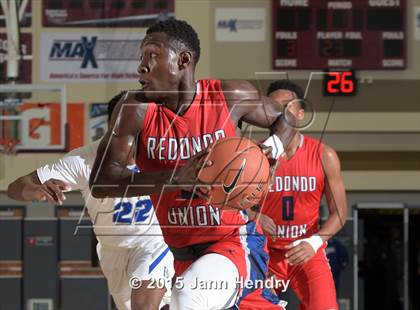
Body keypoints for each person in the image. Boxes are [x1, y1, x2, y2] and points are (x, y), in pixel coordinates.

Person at [89, 19, 295, 309]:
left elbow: (286, 118)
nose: (141, 67)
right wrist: (175, 178)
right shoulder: (133, 109)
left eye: (152, 56)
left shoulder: (227, 96)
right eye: (141, 58)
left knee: (187, 298)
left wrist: (273, 147)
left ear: (182, 60)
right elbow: (101, 182)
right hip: (181, 254)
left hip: (233, 242)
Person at [7, 92, 174, 310]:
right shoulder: (83, 160)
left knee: (144, 306)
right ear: (113, 127)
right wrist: (33, 191)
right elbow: (15, 187)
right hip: (112, 251)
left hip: (152, 243)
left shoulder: (163, 151)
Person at [253, 80, 348, 310]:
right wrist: (252, 215)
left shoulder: (323, 155)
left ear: (301, 113)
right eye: (274, 106)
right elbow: (228, 205)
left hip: (306, 249)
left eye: (287, 105)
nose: (281, 111)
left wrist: (314, 242)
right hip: (266, 252)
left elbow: (340, 213)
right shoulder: (254, 155)